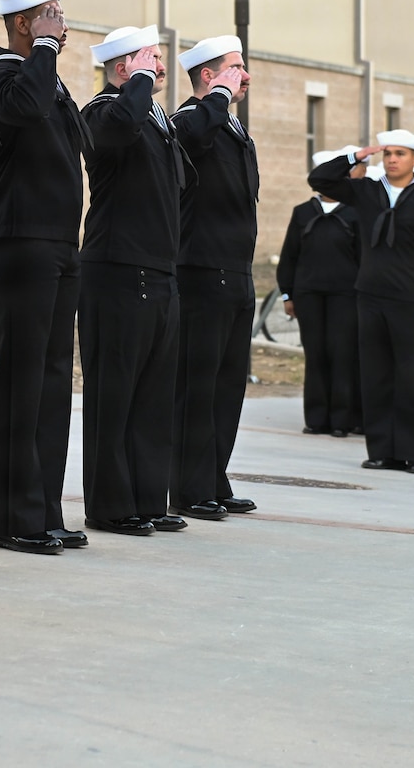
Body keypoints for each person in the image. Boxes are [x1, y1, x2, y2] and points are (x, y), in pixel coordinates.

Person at [0, 0, 85, 555]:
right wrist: (42, 50)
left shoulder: (47, 75)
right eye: (51, 17)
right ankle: (12, 517)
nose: (62, 27)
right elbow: (21, 110)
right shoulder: (1, 73)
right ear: (23, 23)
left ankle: (44, 508)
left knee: (52, 379)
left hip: (59, 243)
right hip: (21, 240)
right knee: (22, 379)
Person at [79, 25, 193, 533]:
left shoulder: (155, 118)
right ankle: (110, 505)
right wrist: (140, 82)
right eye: (151, 59)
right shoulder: (102, 112)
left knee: (153, 396)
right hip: (117, 269)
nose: (161, 68)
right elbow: (120, 129)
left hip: (160, 269)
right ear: (124, 67)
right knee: (115, 394)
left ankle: (148, 499)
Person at [308, 130, 414, 475]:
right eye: (388, 153)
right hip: (370, 296)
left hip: (412, 300)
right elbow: (319, 179)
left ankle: (413, 454)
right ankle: (380, 451)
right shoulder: (367, 191)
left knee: (412, 379)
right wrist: (356, 156)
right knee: (376, 377)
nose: (392, 159)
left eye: (400, 154)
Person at [170, 35, 258, 520]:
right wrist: (218, 98)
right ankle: (189, 486)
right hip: (202, 270)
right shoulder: (190, 118)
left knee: (228, 386)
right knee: (197, 385)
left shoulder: (234, 127)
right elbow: (191, 139)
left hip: (236, 271)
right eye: (236, 68)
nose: (246, 77)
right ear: (209, 75)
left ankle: (214, 477)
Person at [280, 151, 364, 439]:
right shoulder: (303, 212)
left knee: (342, 355)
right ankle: (316, 419)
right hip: (308, 294)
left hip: (345, 295)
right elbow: (289, 256)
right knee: (315, 354)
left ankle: (341, 420)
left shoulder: (355, 212)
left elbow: (363, 257)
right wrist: (287, 294)